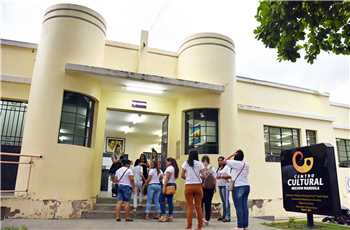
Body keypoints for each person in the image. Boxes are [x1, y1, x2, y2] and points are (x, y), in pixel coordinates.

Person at [225, 150, 250, 230]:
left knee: (239, 207)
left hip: (239, 187)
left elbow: (225, 160)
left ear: (236, 156)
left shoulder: (236, 163)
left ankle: (240, 226)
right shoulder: (246, 164)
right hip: (246, 186)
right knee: (244, 207)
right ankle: (245, 225)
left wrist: (232, 154)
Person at [181, 150, 205, 230]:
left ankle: (189, 226)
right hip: (198, 186)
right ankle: (199, 226)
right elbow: (204, 175)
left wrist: (188, 178)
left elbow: (182, 175)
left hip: (188, 186)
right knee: (198, 207)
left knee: (190, 207)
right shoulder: (200, 163)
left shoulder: (186, 163)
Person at [159, 157, 179, 222]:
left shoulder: (169, 168)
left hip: (167, 185)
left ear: (170, 162)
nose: (165, 163)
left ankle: (163, 216)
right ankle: (170, 216)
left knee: (161, 200)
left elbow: (167, 178)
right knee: (170, 201)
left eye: (166, 162)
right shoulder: (173, 168)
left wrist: (164, 186)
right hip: (172, 185)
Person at [201, 155, 216, 226]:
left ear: (208, 161)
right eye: (203, 161)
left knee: (208, 203)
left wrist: (215, 187)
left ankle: (207, 219)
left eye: (206, 161)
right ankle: (201, 217)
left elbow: (215, 178)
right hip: (202, 187)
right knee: (200, 202)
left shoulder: (212, 168)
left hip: (210, 187)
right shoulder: (200, 168)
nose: (205, 163)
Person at [216, 156, 232, 222]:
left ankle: (228, 217)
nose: (220, 162)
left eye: (221, 160)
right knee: (223, 202)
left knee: (226, 201)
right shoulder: (219, 168)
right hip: (220, 185)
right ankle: (224, 216)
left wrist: (221, 176)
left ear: (224, 161)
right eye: (218, 160)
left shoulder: (227, 167)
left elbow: (229, 176)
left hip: (225, 185)